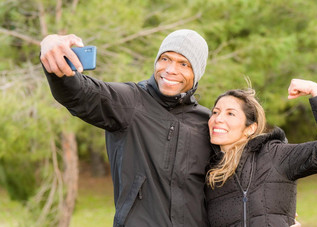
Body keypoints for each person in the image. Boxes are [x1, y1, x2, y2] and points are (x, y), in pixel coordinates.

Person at [40, 29, 212, 227]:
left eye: (184, 64)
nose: (170, 69)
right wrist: (50, 45)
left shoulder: (206, 122)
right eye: (165, 59)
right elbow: (78, 93)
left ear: (196, 71)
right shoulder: (131, 102)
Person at [205, 79, 317, 226]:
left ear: (251, 128)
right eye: (215, 112)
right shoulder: (207, 173)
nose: (218, 119)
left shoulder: (274, 155)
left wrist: (315, 90)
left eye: (230, 114)